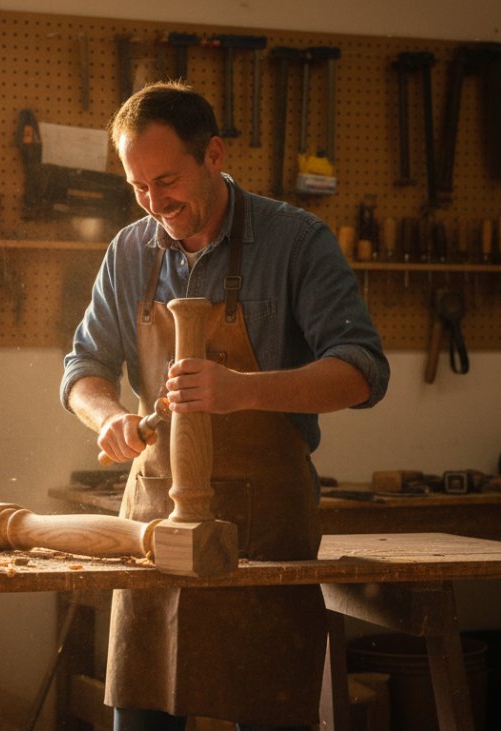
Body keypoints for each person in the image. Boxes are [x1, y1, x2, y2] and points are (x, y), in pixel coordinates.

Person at [60, 81, 390, 730]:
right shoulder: (131, 251)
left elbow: (362, 372)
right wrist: (110, 417)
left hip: (267, 527)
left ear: (213, 155)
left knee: (268, 709)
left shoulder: (296, 241)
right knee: (145, 713)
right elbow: (83, 370)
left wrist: (245, 391)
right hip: (154, 527)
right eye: (138, 188)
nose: (156, 204)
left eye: (168, 180)